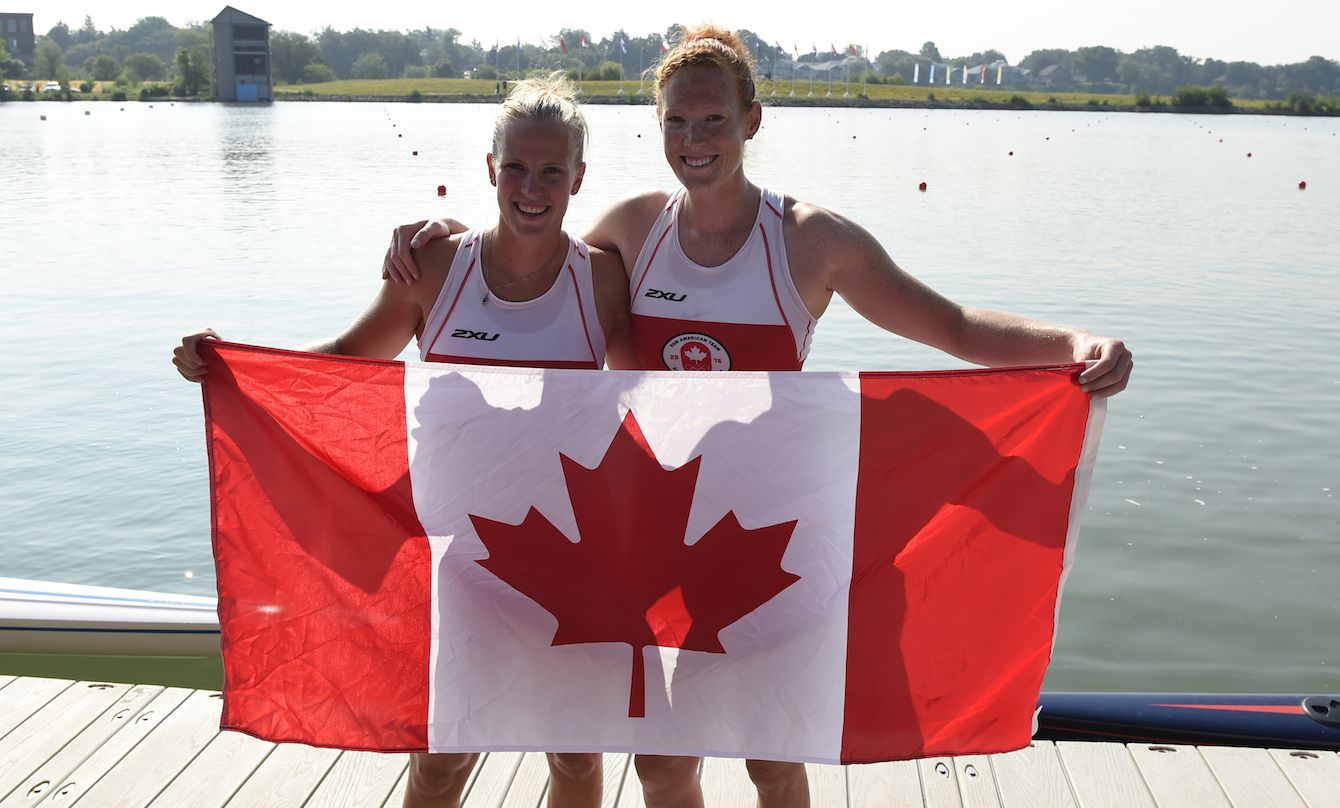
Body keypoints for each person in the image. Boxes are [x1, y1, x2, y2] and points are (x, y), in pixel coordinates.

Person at [383, 25, 1133, 808]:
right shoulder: (636, 228)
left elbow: (952, 327)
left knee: (772, 753)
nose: (693, 139)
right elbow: (533, 247)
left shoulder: (813, 241)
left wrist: (1074, 342)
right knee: (662, 762)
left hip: (770, 529)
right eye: (676, 120)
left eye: (712, 119)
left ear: (753, 120)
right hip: (657, 530)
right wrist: (440, 237)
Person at [174, 75, 634, 808]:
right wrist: (233, 363)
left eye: (552, 171)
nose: (532, 187)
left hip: (570, 549)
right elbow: (348, 355)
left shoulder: (605, 281)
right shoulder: (436, 267)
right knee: (445, 757)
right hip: (457, 550)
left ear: (579, 178)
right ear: (489, 170)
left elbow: (666, 392)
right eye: (515, 167)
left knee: (575, 759)